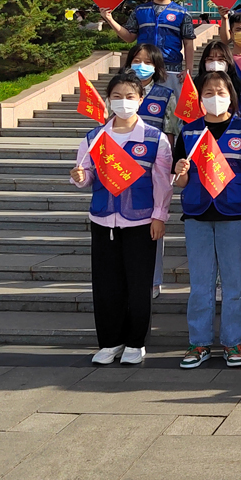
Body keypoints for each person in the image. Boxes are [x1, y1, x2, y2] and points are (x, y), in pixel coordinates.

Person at [70, 71, 171, 366]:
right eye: (117, 97)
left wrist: (159, 216)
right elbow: (86, 174)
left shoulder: (155, 139)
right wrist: (79, 176)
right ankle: (109, 341)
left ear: (140, 100)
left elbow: (162, 184)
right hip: (103, 220)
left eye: (129, 97)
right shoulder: (95, 137)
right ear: (108, 100)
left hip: (141, 222)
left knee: (139, 285)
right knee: (105, 285)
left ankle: (136, 342)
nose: (123, 102)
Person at [173, 70, 241, 369]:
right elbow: (179, 181)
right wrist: (181, 171)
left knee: (233, 284)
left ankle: (233, 343)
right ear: (200, 97)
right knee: (200, 284)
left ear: (231, 96)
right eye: (208, 92)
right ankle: (199, 342)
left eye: (221, 92)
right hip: (197, 214)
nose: (215, 97)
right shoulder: (189, 132)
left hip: (234, 214)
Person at [124, 44, 178, 298]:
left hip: (153, 169)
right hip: (123, 169)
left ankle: (154, 279)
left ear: (156, 66)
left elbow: (170, 133)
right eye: (136, 59)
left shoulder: (166, 94)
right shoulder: (120, 93)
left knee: (154, 224)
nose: (141, 65)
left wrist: (167, 169)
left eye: (147, 61)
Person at [99, 0, 196, 92]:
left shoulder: (182, 13)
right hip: (144, 66)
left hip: (171, 67)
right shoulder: (140, 10)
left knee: (170, 104)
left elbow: (188, 43)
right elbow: (129, 37)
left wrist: (188, 68)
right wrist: (109, 19)